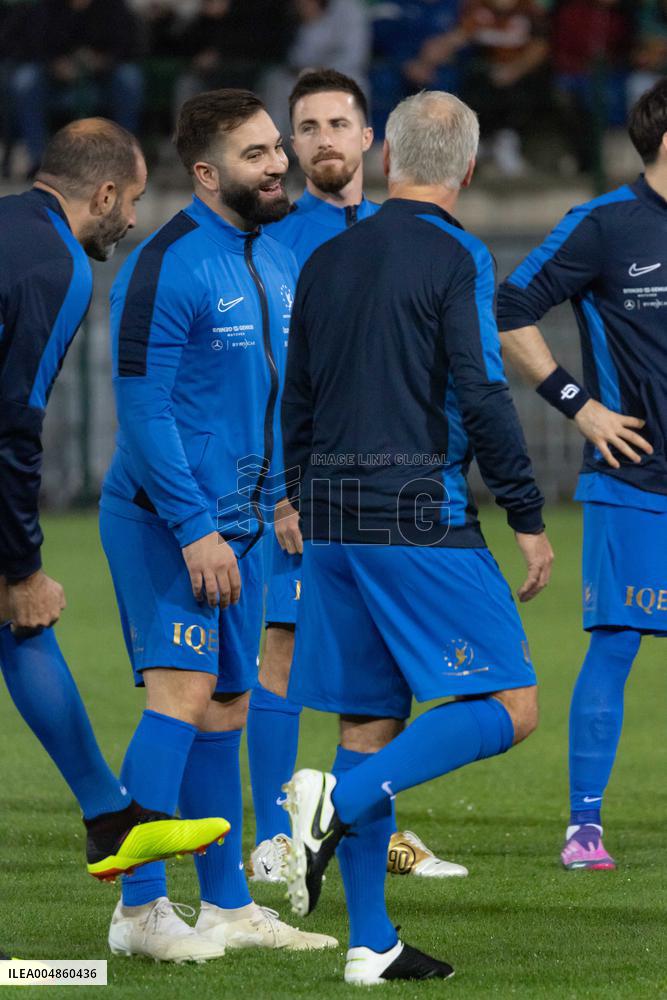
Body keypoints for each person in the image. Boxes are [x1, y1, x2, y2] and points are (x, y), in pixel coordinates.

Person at [281, 90, 553, 985]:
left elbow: (300, 397)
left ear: (387, 157)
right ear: (468, 170)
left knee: (367, 723)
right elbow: (479, 391)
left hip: (330, 520)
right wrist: (523, 512)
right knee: (511, 705)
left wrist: (295, 497)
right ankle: (338, 805)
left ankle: (369, 945)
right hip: (414, 513)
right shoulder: (459, 254)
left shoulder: (325, 258)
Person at [99, 88, 337, 962]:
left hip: (241, 526)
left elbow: (266, 400)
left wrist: (279, 496)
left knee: (229, 705)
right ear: (205, 173)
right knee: (183, 697)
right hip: (168, 524)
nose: (279, 164)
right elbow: (144, 407)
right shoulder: (165, 263)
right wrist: (196, 525)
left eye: (278, 148)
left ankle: (228, 906)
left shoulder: (272, 259)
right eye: (257, 154)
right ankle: (136, 911)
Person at [247, 67, 468, 886]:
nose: (323, 139)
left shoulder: (398, 233)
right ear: (290, 145)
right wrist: (281, 488)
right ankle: (276, 835)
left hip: (380, 496)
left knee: (374, 668)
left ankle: (369, 821)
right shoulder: (272, 241)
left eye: (339, 123)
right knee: (281, 645)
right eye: (306, 128)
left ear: (370, 139)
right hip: (298, 486)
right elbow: (275, 381)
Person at [0, 118, 229, 885]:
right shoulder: (57, 266)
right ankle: (106, 815)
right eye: (129, 200)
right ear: (101, 194)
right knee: (19, 610)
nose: (132, 219)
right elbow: (15, 424)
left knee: (16, 629)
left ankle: (107, 815)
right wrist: (26, 564)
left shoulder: (8, 227)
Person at [497, 77, 667, 871]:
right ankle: (583, 829)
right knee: (618, 644)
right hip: (634, 483)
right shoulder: (604, 226)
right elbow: (510, 308)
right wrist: (581, 407)